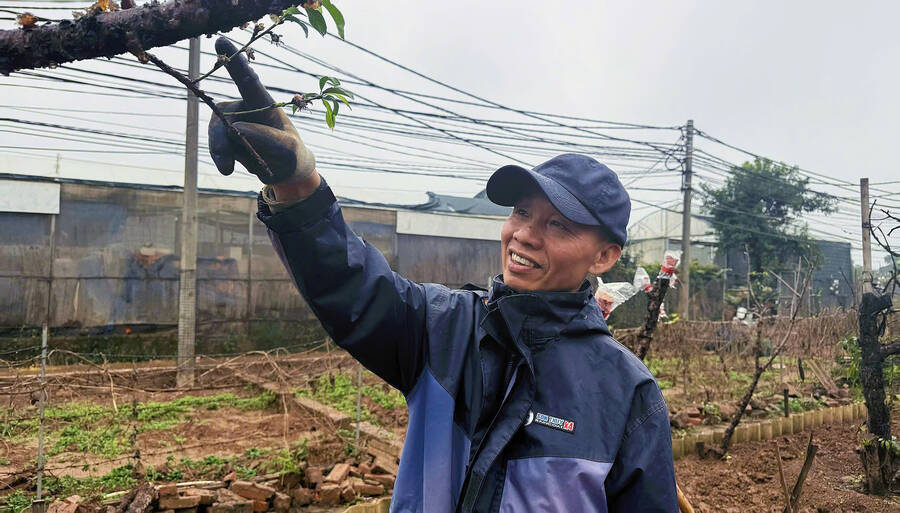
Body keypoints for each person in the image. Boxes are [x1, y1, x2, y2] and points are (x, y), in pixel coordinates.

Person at [208, 38, 677, 513]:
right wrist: (296, 186)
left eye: (558, 224)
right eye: (521, 212)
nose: (524, 235)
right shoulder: (445, 329)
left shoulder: (627, 394)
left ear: (604, 257)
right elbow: (351, 286)